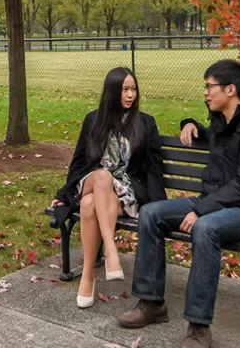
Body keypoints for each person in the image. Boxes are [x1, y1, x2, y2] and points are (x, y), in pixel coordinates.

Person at [117, 59, 240, 348]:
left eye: (209, 87)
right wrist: (191, 124)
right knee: (151, 213)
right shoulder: (224, 121)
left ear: (230, 90)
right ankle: (152, 303)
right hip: (213, 201)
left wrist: (201, 210)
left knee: (205, 228)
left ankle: (199, 327)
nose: (206, 92)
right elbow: (216, 139)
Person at [51, 67, 166, 309]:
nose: (130, 95)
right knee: (102, 176)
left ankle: (87, 276)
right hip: (92, 181)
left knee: (88, 204)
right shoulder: (94, 120)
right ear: (112, 91)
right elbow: (79, 161)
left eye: (134, 89)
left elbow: (154, 169)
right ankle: (111, 252)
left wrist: (158, 206)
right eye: (125, 89)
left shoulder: (145, 123)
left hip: (124, 193)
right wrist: (64, 194)